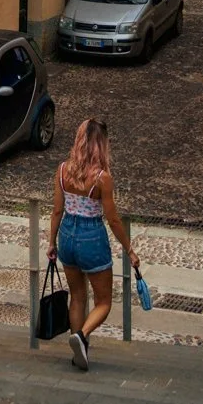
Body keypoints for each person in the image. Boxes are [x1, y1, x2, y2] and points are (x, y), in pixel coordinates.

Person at [47, 117, 139, 370]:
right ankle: (82, 335)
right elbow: (113, 219)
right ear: (102, 145)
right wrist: (129, 249)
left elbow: (57, 211)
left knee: (77, 296)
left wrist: (51, 242)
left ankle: (80, 353)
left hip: (66, 234)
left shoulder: (63, 170)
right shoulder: (101, 178)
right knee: (103, 302)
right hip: (92, 237)